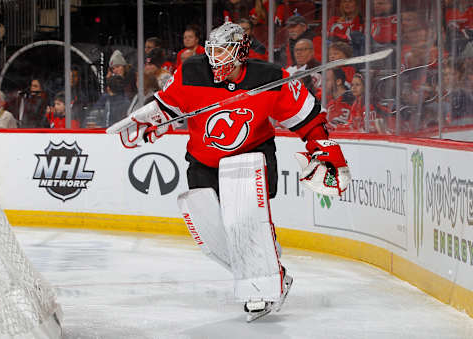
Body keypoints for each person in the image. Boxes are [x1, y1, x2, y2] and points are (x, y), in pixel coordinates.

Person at [112, 22, 351, 321]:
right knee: (208, 227)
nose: (217, 58)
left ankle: (261, 286)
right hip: (203, 160)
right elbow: (168, 105)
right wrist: (148, 121)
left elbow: (308, 119)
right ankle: (271, 267)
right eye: (213, 51)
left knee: (244, 217)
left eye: (225, 51)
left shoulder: (270, 78)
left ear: (241, 51)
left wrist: (322, 148)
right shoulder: (191, 72)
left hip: (252, 155)